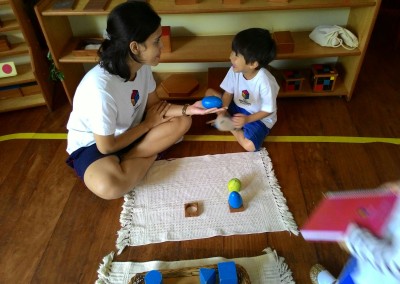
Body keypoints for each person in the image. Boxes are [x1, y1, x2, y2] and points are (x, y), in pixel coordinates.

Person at [65, 1, 221, 200]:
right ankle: (149, 154)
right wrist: (148, 125)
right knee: (109, 186)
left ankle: (130, 159)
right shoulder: (100, 90)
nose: (161, 46)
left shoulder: (141, 66)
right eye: (157, 41)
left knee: (184, 121)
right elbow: (106, 147)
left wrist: (189, 109)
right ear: (135, 47)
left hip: (133, 131)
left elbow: (155, 107)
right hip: (95, 144)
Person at [310, 181, 400, 284]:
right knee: (355, 267)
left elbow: (392, 265)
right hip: (375, 243)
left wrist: (350, 236)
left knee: (361, 274)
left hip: (379, 271)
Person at [205, 28, 279, 152]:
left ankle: (231, 126)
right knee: (209, 94)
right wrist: (222, 112)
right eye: (232, 52)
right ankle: (228, 120)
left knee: (250, 146)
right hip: (238, 107)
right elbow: (228, 93)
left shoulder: (266, 81)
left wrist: (246, 120)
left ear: (253, 64)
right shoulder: (235, 69)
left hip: (257, 117)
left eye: (236, 55)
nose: (230, 57)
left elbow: (268, 110)